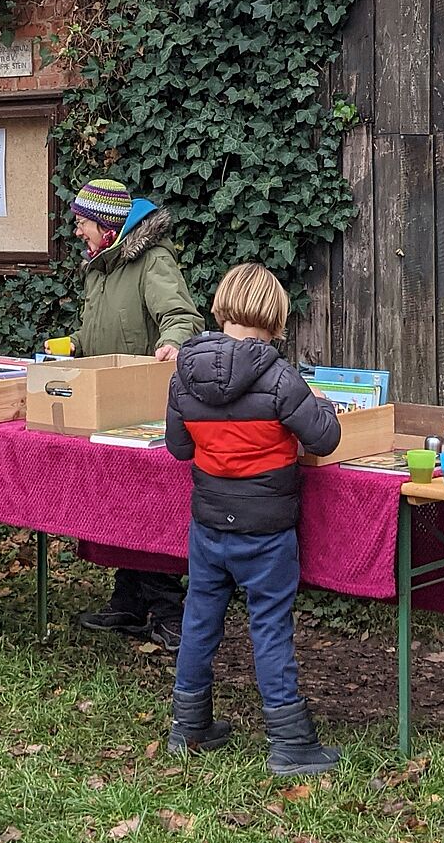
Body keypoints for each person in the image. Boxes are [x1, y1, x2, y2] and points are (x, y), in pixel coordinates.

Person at [163, 263, 342, 775]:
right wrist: (323, 407)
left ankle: (188, 725)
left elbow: (179, 448)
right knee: (269, 627)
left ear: (220, 309)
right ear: (277, 318)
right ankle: (290, 741)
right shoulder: (282, 378)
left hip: (209, 522)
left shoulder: (185, 375)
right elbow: (324, 439)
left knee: (199, 620)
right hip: (266, 529)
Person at [65, 176, 203, 648]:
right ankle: (128, 600)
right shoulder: (97, 267)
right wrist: (75, 346)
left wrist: (171, 343)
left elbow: (182, 317)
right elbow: (104, 330)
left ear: (107, 225)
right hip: (104, 402)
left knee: (146, 508)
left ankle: (168, 612)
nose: (77, 231)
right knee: (116, 504)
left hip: (145, 407)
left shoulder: (152, 260)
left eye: (83, 223)